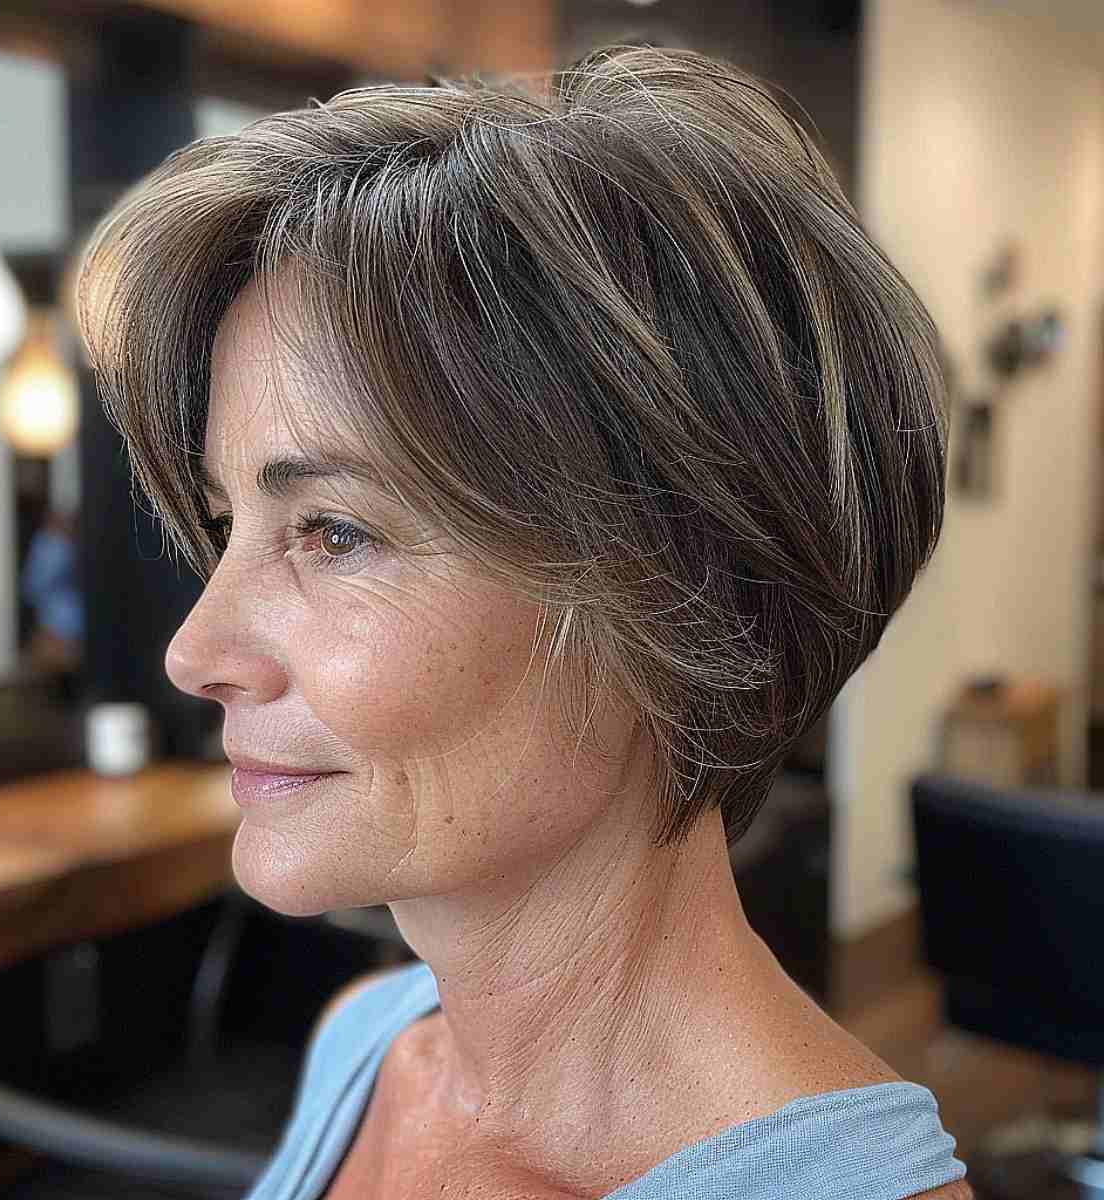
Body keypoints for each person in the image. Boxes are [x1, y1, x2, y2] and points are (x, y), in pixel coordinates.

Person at [77, 44, 970, 1200]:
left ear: (680, 597)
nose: (194, 653)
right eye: (223, 521)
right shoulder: (373, 1042)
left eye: (335, 532)